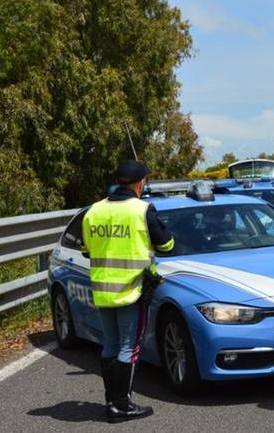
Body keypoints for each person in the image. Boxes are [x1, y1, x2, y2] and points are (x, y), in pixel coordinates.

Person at [81, 160, 174, 423]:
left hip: (102, 290)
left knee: (110, 344)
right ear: (140, 183)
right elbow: (167, 245)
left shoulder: (94, 211)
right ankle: (122, 405)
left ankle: (112, 401)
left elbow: (87, 250)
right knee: (128, 347)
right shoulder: (142, 210)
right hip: (132, 290)